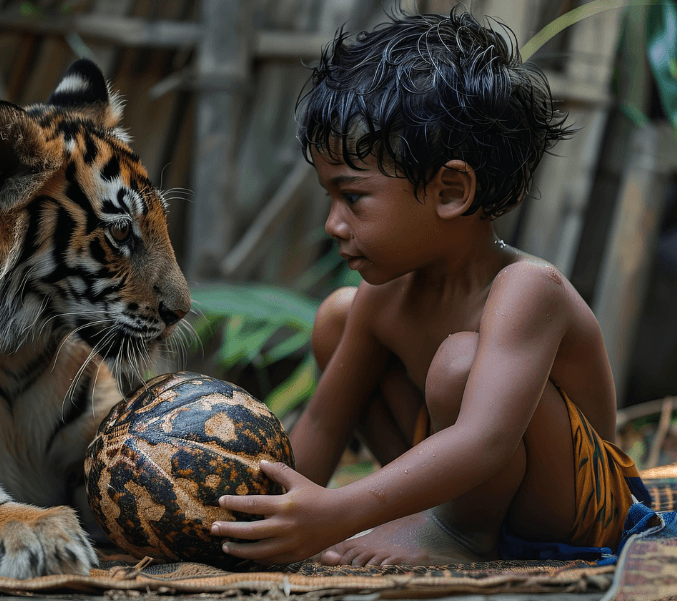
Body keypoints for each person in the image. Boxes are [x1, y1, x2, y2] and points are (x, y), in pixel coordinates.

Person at [209, 8, 651, 566]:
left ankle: (458, 533)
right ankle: (430, 518)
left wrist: (338, 511)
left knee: (460, 364)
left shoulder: (528, 289)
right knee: (337, 318)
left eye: (353, 197)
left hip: (575, 510)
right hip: (469, 484)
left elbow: (484, 440)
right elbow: (323, 421)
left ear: (450, 192)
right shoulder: (384, 298)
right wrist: (265, 514)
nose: (333, 224)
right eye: (330, 198)